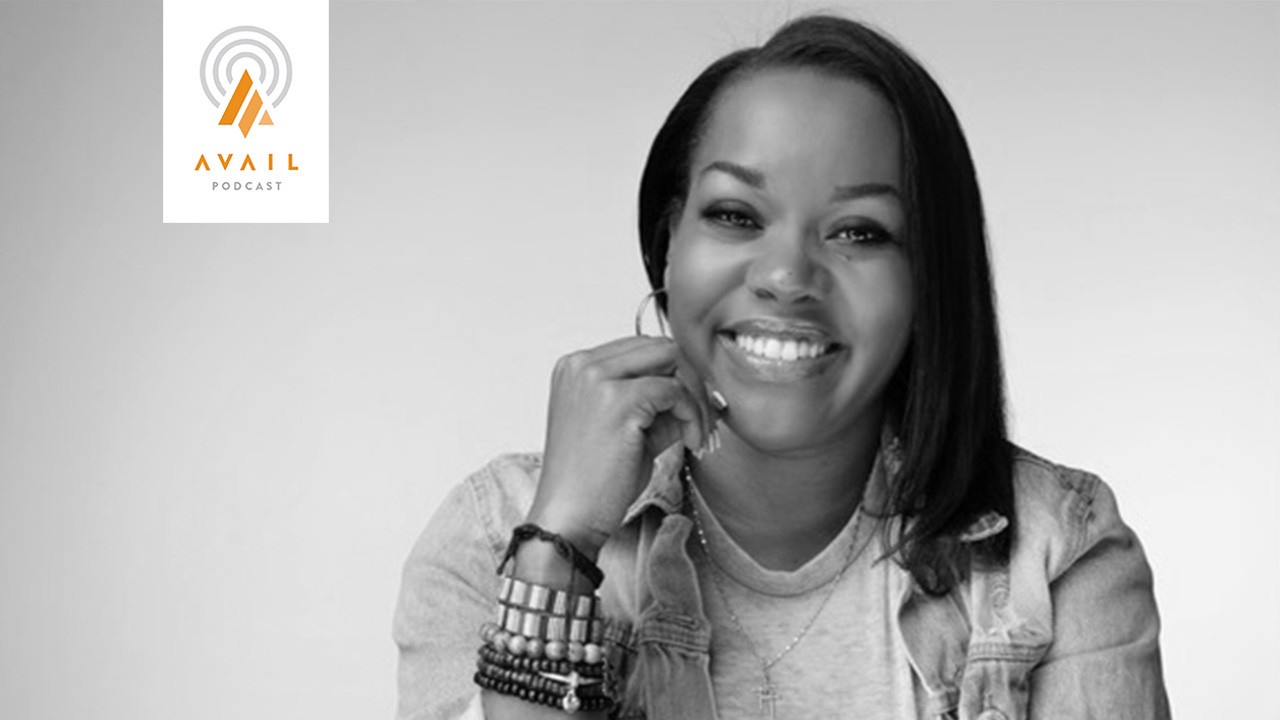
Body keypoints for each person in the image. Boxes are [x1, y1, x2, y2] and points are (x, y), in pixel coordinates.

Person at [394, 13, 1170, 720]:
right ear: (668, 245)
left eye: (859, 231)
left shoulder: (1060, 551)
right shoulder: (491, 536)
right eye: (736, 215)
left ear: (930, 278)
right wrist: (558, 548)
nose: (787, 276)